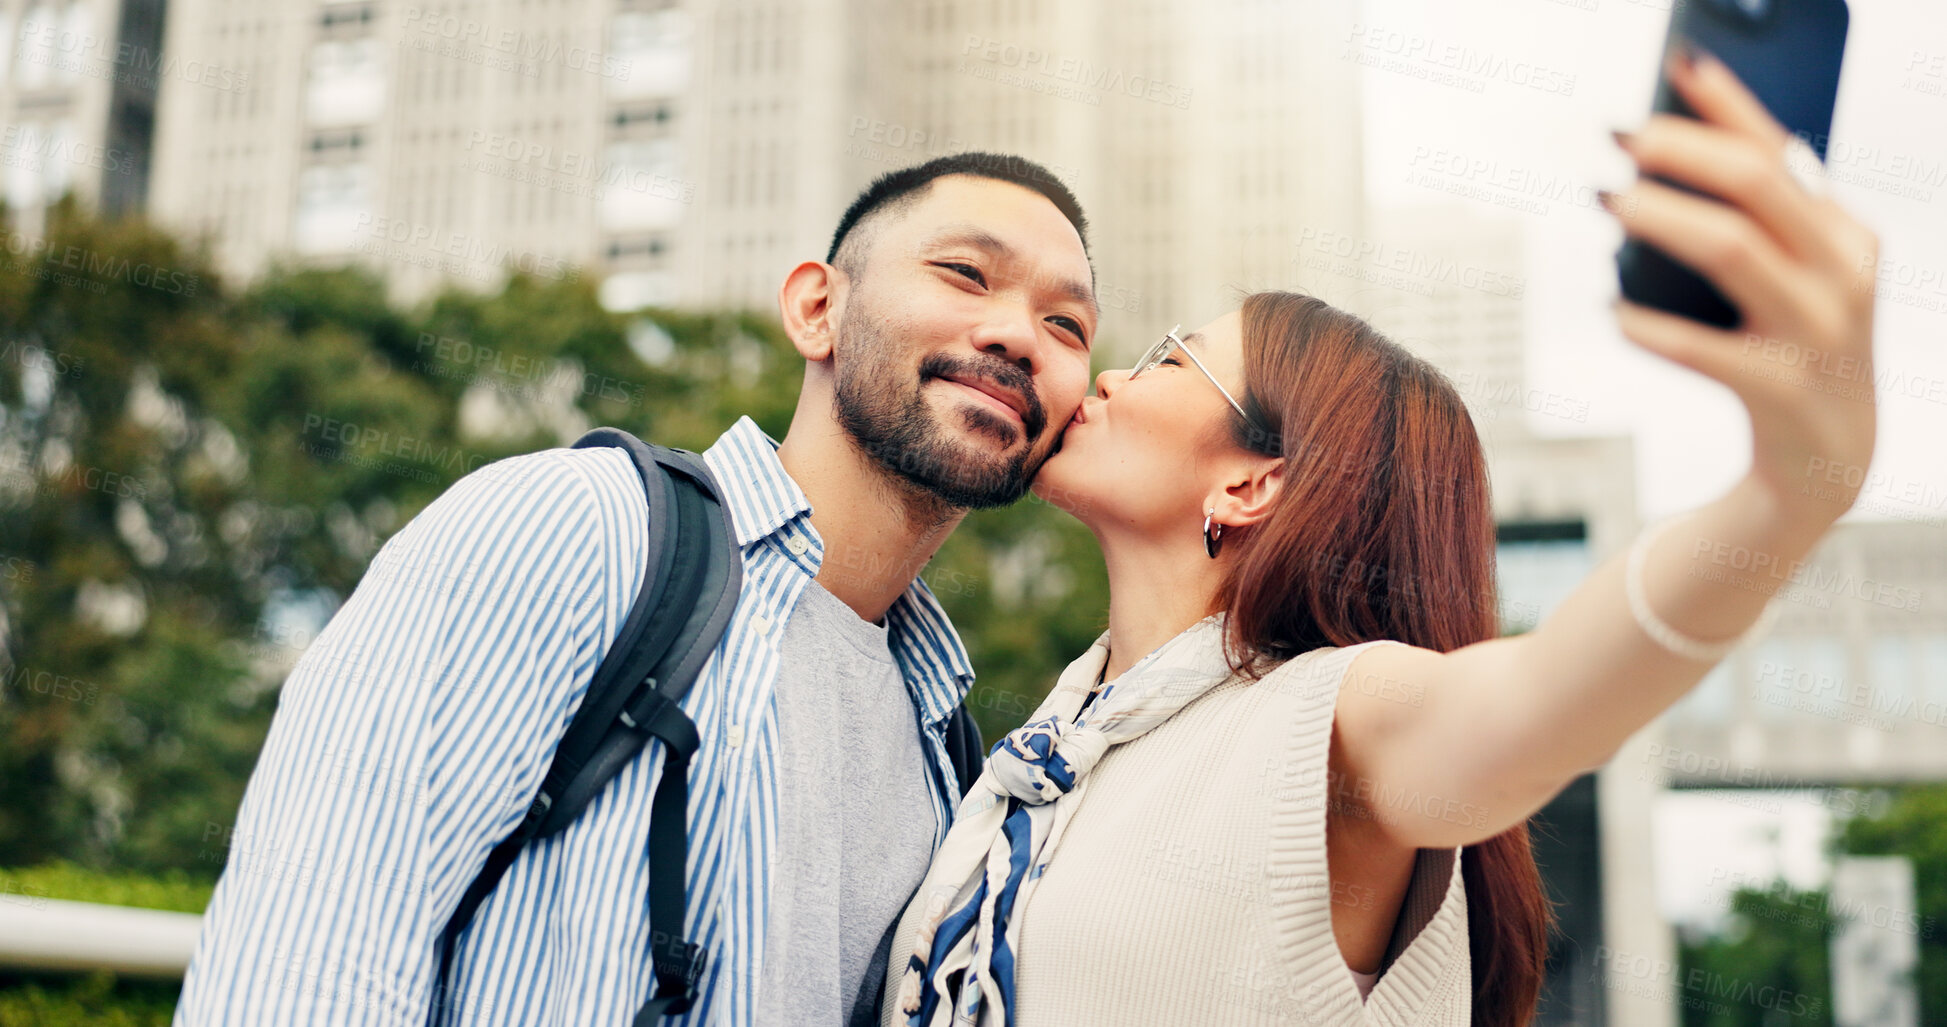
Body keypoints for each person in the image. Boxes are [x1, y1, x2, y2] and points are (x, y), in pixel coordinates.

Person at [882, 47, 1881, 1026]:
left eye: (1169, 359)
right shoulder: (1055, 740)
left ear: (1252, 479)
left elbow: (1542, 704)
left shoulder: (1326, 718)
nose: (1106, 377)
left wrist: (1786, 495)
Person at [173, 152, 1101, 1027]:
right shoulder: (581, 529)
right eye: (966, 274)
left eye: (1066, 326)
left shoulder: (944, 737)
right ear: (817, 307)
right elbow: (313, 951)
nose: (1018, 335)